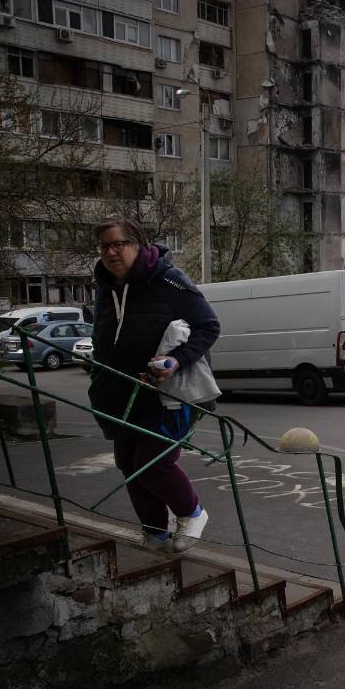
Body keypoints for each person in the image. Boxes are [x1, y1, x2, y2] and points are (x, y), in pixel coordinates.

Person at [88, 214, 220, 553]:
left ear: (139, 244)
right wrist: (97, 372)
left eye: (119, 244)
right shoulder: (105, 286)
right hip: (119, 393)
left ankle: (192, 513)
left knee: (153, 464)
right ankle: (155, 532)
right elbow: (103, 336)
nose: (111, 252)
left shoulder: (168, 280)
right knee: (130, 466)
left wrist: (176, 360)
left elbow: (208, 326)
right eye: (104, 246)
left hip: (167, 396)